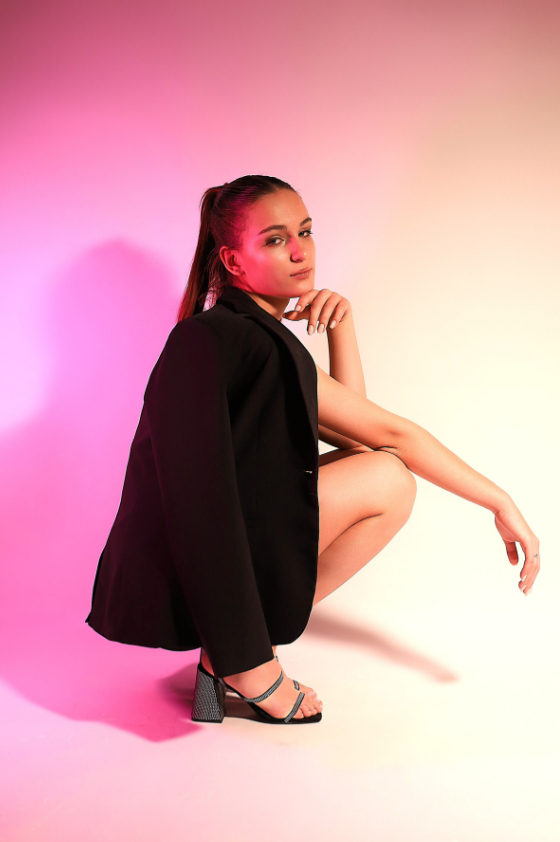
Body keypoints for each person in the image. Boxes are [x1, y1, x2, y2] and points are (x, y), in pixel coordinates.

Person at [86, 174, 540, 726]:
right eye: (276, 239)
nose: (300, 251)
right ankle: (246, 662)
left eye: (305, 231)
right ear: (232, 260)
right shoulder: (225, 337)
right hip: (193, 571)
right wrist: (499, 501)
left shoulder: (253, 336)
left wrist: (341, 326)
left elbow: (363, 441)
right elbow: (387, 438)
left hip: (202, 566)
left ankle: (232, 656)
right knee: (390, 480)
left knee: (386, 478)